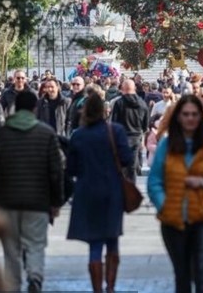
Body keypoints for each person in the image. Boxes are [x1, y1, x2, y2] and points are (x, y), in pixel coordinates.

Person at [147, 95, 203, 293]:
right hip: (174, 219)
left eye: (194, 114)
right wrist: (165, 205)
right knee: (182, 275)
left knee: (202, 275)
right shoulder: (166, 145)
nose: (190, 118)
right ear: (178, 117)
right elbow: (155, 181)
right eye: (185, 114)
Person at [0, 91, 64, 292]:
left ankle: (12, 285)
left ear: (15, 108)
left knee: (11, 250)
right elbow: (56, 171)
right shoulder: (46, 133)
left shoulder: (0, 134)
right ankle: (35, 276)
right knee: (35, 244)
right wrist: (56, 201)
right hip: (38, 201)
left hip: (6, 201)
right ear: (34, 108)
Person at [66, 91, 134, 293]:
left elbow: (71, 169)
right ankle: (110, 287)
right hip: (112, 192)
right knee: (112, 240)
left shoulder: (78, 135)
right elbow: (128, 160)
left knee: (94, 244)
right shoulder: (115, 131)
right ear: (104, 111)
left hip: (87, 192)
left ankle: (97, 289)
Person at [109, 79, 149, 180]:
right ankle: (131, 187)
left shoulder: (119, 103)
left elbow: (114, 122)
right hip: (136, 137)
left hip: (122, 137)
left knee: (120, 166)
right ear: (134, 88)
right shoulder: (142, 103)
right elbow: (146, 124)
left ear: (123, 89)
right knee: (132, 165)